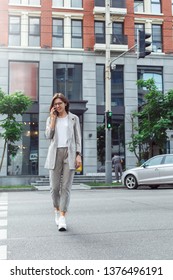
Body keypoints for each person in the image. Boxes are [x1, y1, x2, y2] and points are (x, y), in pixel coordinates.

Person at [44, 93, 82, 231]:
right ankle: (56, 209)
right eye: (55, 104)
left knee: (65, 187)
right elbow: (48, 135)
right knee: (54, 188)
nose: (57, 106)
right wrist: (53, 120)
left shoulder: (74, 118)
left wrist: (78, 155)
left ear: (65, 103)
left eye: (60, 103)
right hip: (55, 154)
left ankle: (62, 217)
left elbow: (78, 138)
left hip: (70, 154)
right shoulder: (50, 119)